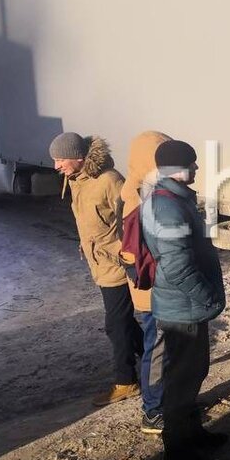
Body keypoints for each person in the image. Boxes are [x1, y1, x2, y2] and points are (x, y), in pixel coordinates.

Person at [142, 140, 227, 460]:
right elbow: (177, 267)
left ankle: (193, 434)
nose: (196, 168)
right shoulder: (168, 207)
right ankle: (177, 451)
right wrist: (205, 296)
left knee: (193, 374)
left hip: (185, 306)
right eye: (191, 163)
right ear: (174, 168)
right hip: (182, 307)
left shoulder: (177, 199)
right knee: (180, 380)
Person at [50, 132, 143, 408]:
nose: (57, 166)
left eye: (61, 160)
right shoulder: (76, 179)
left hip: (116, 263)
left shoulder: (110, 181)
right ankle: (158, 360)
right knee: (123, 322)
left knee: (116, 324)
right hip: (99, 262)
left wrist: (126, 256)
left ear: (79, 158)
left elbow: (132, 219)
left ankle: (126, 381)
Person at [119, 131, 172, 435]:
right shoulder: (140, 200)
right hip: (154, 293)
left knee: (165, 348)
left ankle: (166, 402)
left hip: (158, 290)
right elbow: (140, 256)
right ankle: (153, 410)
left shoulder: (140, 191)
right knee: (157, 348)